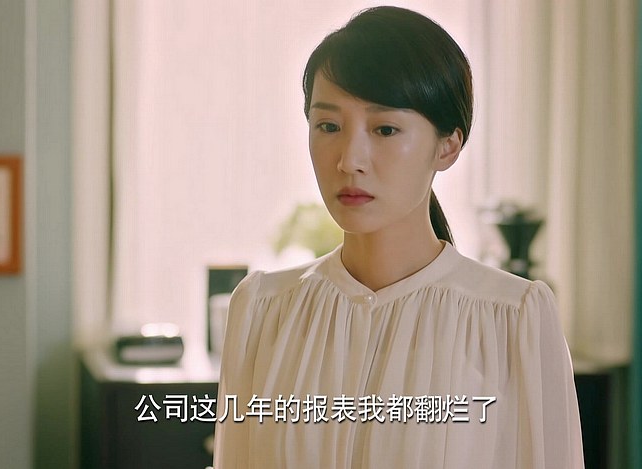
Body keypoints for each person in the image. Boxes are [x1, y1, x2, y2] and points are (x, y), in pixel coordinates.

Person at [214, 6, 584, 468]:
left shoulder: (512, 319)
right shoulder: (263, 310)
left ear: (448, 145)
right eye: (328, 126)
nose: (349, 160)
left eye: (385, 129)